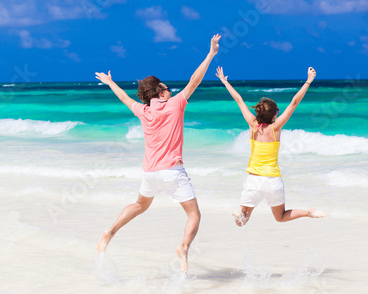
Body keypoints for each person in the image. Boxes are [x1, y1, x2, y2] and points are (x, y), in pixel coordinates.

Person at [95, 34, 221, 273]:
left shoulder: (143, 110)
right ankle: (183, 248)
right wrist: (211, 54)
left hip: (150, 173)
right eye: (166, 87)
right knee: (194, 214)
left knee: (140, 205)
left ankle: (110, 232)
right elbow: (194, 81)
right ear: (160, 93)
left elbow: (123, 97)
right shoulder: (175, 104)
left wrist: (110, 82)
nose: (170, 90)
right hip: (173, 171)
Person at [215, 66, 326, 226]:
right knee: (280, 217)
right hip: (273, 181)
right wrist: (308, 81)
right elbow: (294, 102)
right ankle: (308, 212)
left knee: (241, 222)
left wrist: (225, 82)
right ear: (275, 114)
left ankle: (241, 210)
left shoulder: (253, 126)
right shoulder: (276, 128)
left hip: (254, 180)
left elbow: (239, 100)